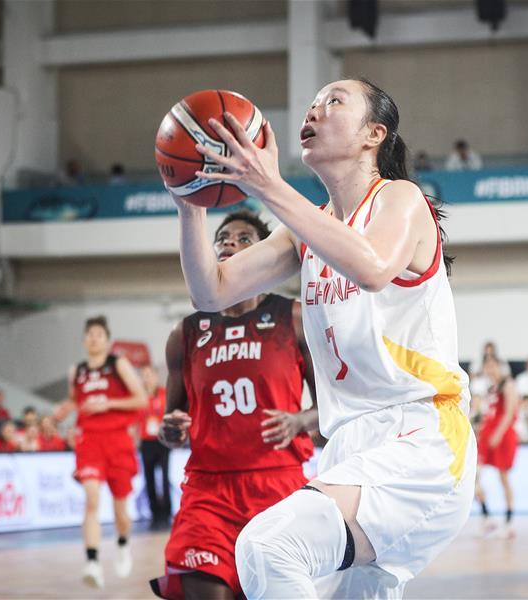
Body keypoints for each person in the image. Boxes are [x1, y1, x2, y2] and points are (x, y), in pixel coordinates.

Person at [170, 78, 475, 598]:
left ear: (373, 134)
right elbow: (211, 292)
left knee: (267, 546)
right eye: (313, 103)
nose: (315, 110)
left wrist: (269, 186)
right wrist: (189, 198)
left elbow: (372, 267)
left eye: (334, 102)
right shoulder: (305, 230)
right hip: (347, 445)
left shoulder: (400, 199)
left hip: (421, 436)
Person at [151, 211, 317, 600]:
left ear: (264, 254)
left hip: (278, 487)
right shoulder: (186, 333)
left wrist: (299, 421)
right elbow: (171, 426)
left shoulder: (293, 318)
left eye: (244, 239)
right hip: (208, 493)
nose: (230, 242)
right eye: (223, 237)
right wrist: (170, 429)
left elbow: (334, 407)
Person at [54, 316, 148, 589]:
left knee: (121, 512)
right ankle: (92, 563)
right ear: (84, 340)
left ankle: (123, 542)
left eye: (99, 334)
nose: (94, 338)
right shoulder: (77, 370)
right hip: (89, 441)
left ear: (107, 341)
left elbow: (141, 399)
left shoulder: (118, 364)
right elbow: (76, 400)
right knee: (92, 498)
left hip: (118, 441)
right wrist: (63, 410)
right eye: (90, 334)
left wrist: (108, 404)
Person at [474, 356, 519, 539]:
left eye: (493, 365)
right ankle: (487, 517)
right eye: (487, 366)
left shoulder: (508, 384)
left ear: (500, 366)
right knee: (474, 477)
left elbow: (510, 412)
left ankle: (509, 522)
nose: (490, 369)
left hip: (502, 435)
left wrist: (498, 434)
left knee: (504, 478)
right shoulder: (490, 387)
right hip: (487, 434)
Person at [137, 365, 171, 531]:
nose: (147, 378)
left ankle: (167, 513)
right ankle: (154, 514)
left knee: (164, 478)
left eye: (149, 375)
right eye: (144, 375)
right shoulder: (139, 397)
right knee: (149, 478)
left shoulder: (164, 394)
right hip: (146, 442)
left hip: (162, 441)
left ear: (156, 377)